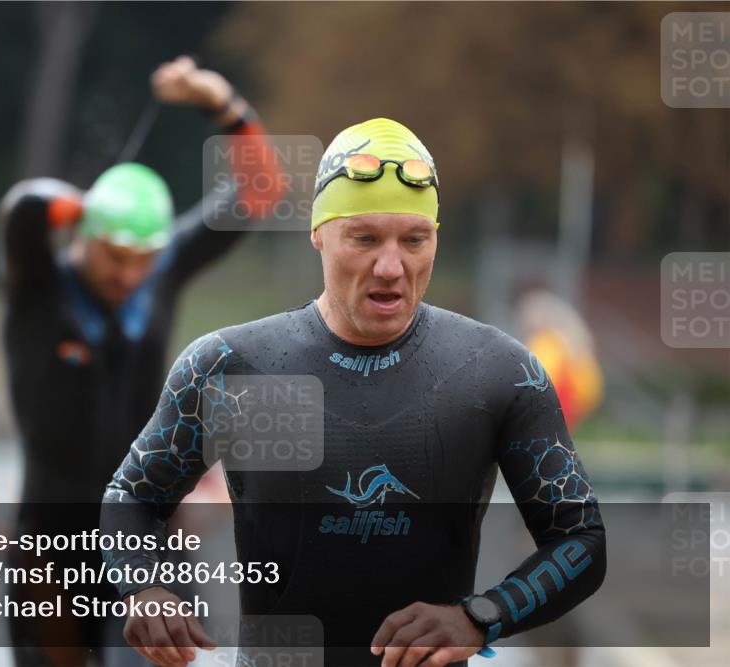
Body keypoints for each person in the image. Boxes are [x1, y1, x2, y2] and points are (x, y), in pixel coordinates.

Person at [101, 118, 607, 667]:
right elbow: (132, 498)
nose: (391, 266)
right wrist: (145, 590)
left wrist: (479, 616)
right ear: (318, 233)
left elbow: (580, 539)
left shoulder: (499, 371)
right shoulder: (227, 366)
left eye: (415, 240)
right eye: (364, 238)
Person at [0, 56, 281, 665]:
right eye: (114, 254)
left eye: (142, 257)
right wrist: (93, 205)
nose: (128, 273)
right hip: (49, 544)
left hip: (142, 532)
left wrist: (221, 102)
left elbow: (259, 193)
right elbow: (23, 208)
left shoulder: (163, 269)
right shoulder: (38, 289)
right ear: (84, 236)